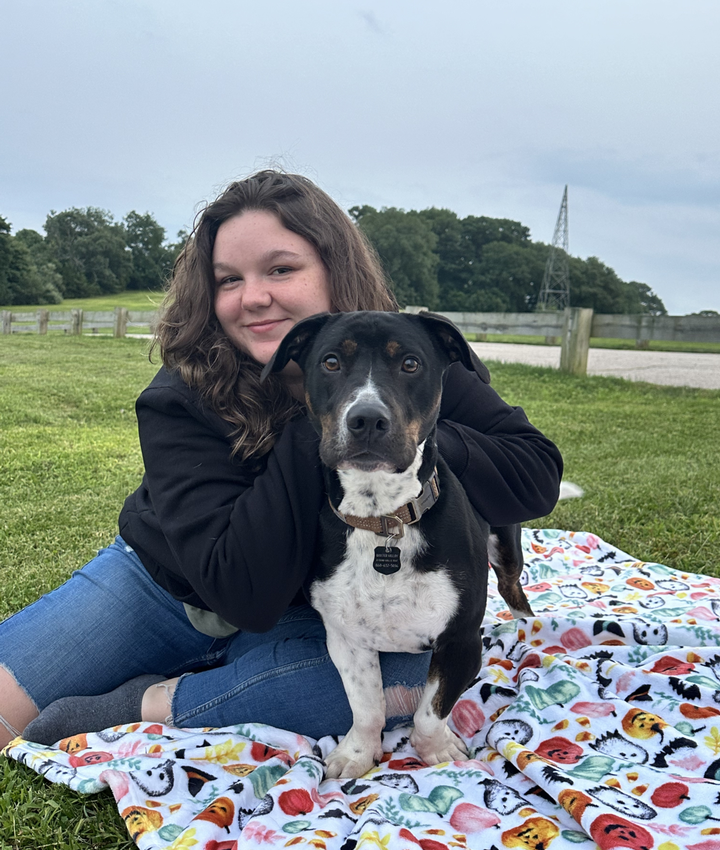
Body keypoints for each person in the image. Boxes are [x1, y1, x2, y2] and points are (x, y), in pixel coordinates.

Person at [0, 170, 563, 750]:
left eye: (280, 269)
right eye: (228, 280)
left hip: (320, 611)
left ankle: (148, 702)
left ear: (333, 270)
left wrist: (408, 436)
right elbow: (242, 591)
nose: (254, 297)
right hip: (168, 589)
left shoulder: (404, 357)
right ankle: (214, 679)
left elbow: (536, 475)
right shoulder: (180, 396)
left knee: (395, 692)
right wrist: (319, 423)